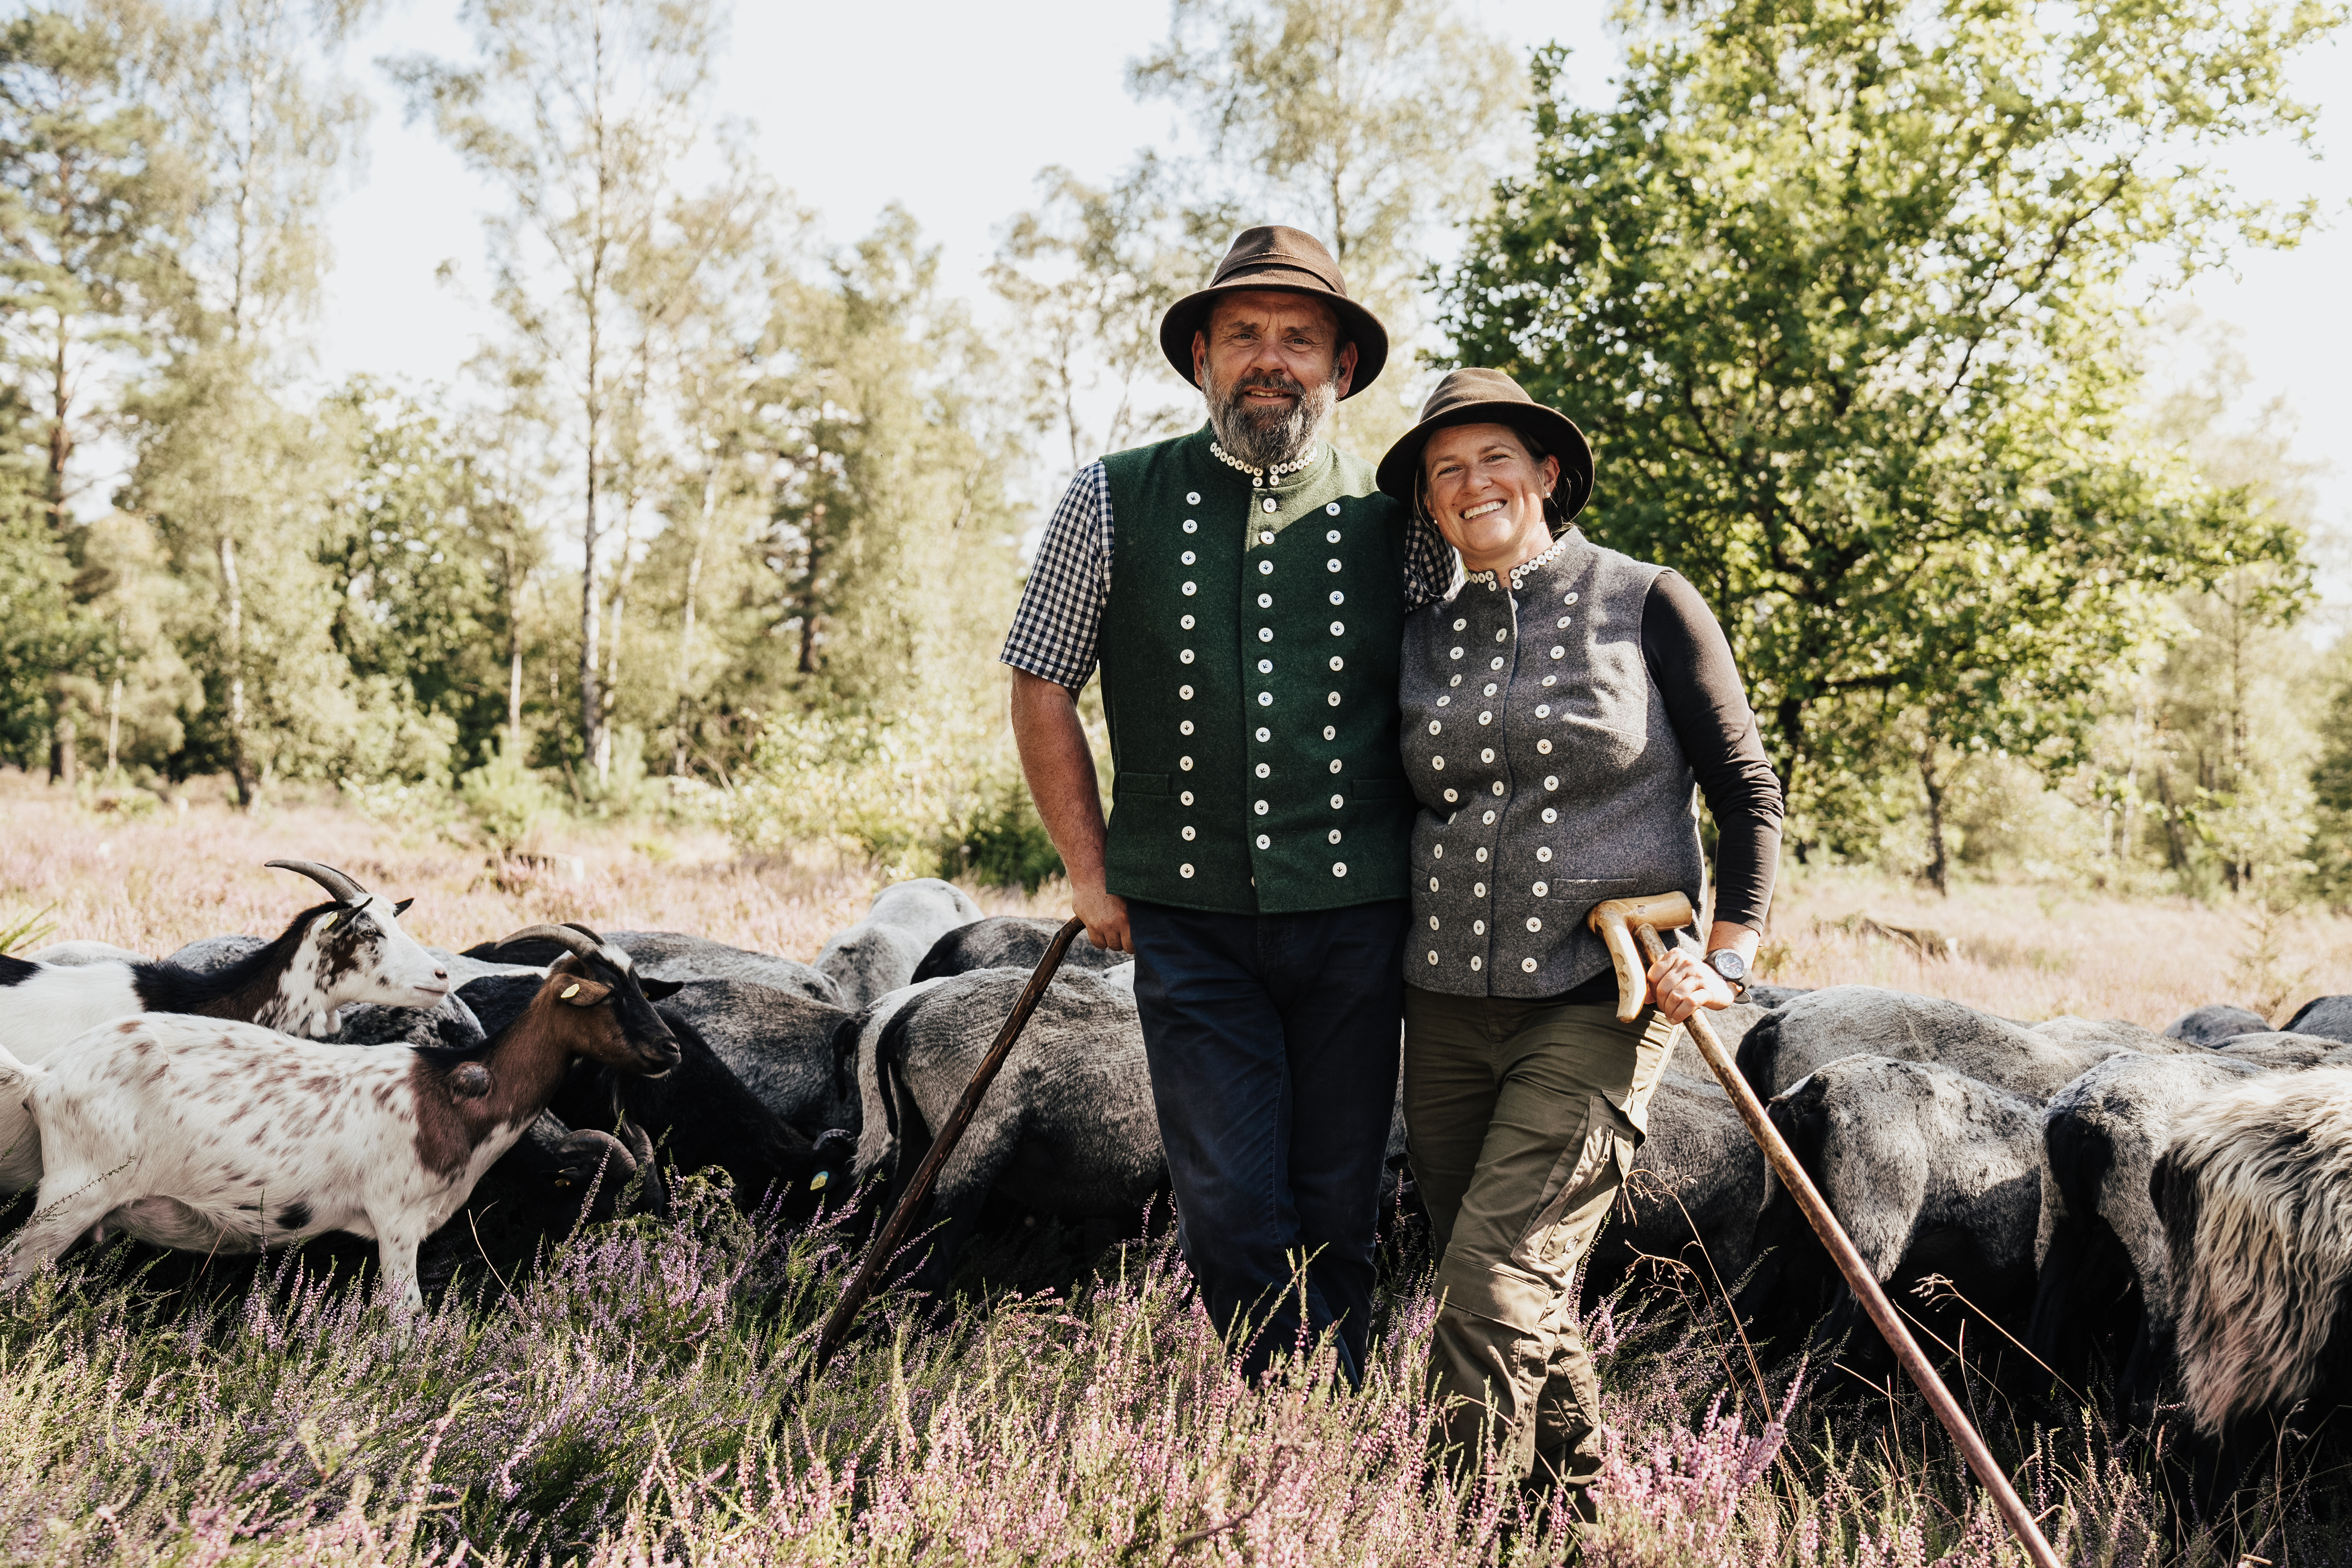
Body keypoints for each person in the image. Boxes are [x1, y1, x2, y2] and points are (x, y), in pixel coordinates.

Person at [1001, 226, 1455, 1386]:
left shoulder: (1408, 513)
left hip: (1361, 915)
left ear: (1340, 368)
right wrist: (1090, 871)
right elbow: (1042, 676)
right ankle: (1288, 1409)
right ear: (1200, 357)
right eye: (1244, 334)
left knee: (1339, 1192)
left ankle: (1331, 1429)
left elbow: (1477, 687)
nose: (1271, 359)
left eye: (1299, 338)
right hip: (1187, 921)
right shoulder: (1110, 497)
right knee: (1231, 1200)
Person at [1380, 368, 1784, 1520]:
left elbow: (1747, 790)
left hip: (1599, 1003)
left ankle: (1451, 1534)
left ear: (1548, 472)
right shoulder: (1419, 634)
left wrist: (1731, 952)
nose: (1472, 484)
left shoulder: (1647, 598)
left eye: (1495, 458)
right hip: (1444, 1006)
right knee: (1520, 1285)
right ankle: (1579, 1518)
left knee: (1491, 1282)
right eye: (1445, 470)